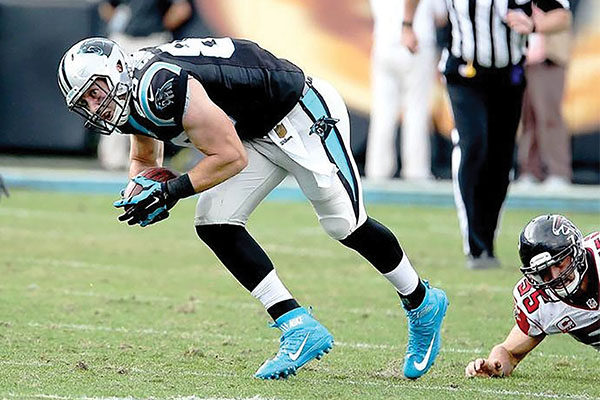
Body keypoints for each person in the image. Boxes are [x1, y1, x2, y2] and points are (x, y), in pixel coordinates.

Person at [57, 37, 449, 380]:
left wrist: (172, 191)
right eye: (85, 101)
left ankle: (421, 301)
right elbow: (145, 158)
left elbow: (229, 156)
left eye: (96, 90)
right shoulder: (128, 93)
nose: (96, 105)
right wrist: (138, 189)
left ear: (117, 70)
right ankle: (295, 324)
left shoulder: (161, 84)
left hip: (299, 112)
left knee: (344, 223)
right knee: (214, 221)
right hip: (251, 131)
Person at [403, 0, 571, 269]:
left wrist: (535, 24)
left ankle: (487, 240)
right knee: (474, 145)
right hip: (463, 70)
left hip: (509, 75)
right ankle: (475, 243)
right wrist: (407, 25)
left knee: (500, 158)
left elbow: (562, 15)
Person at [465, 214, 599, 378]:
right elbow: (509, 352)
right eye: (543, 271)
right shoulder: (539, 300)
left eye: (558, 263)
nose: (555, 276)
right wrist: (493, 366)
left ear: (576, 254)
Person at [97, 0, 193, 171]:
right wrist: (123, 24)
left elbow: (181, 9)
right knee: (115, 96)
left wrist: (156, 26)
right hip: (124, 39)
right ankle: (113, 157)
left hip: (152, 40)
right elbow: (106, 7)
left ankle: (152, 160)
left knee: (151, 98)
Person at [365, 0, 446, 181]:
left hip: (384, 41)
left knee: (382, 111)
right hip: (418, 42)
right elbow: (441, 16)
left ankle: (377, 171)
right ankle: (416, 172)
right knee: (416, 110)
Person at [517, 7, 573, 188]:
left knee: (549, 116)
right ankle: (529, 171)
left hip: (548, 57)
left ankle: (558, 172)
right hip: (522, 58)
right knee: (528, 119)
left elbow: (563, 17)